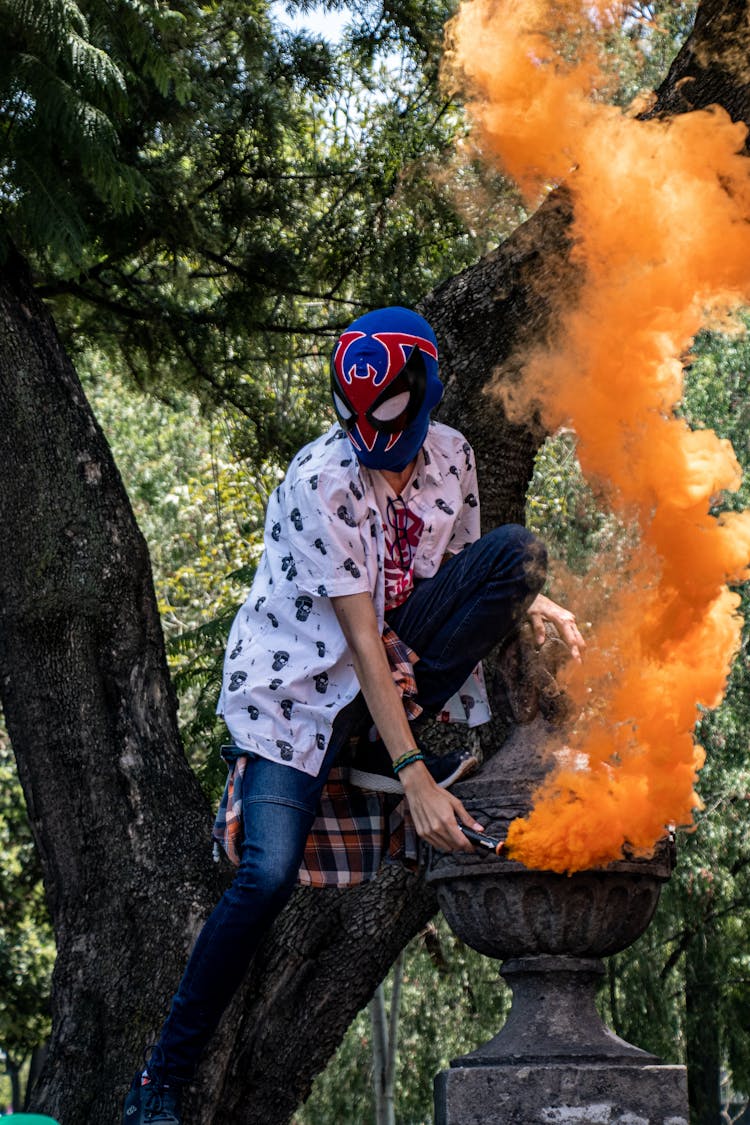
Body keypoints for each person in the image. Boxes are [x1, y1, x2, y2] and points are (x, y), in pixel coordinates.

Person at [122, 306, 584, 1124]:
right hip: (296, 698)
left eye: (392, 411)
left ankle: (380, 745)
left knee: (517, 552)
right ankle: (162, 1076)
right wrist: (414, 776)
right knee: (264, 876)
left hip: (397, 667)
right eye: (356, 414)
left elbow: (450, 569)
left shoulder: (454, 457)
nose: (374, 430)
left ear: (425, 389)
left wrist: (532, 596)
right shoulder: (319, 478)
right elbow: (360, 641)